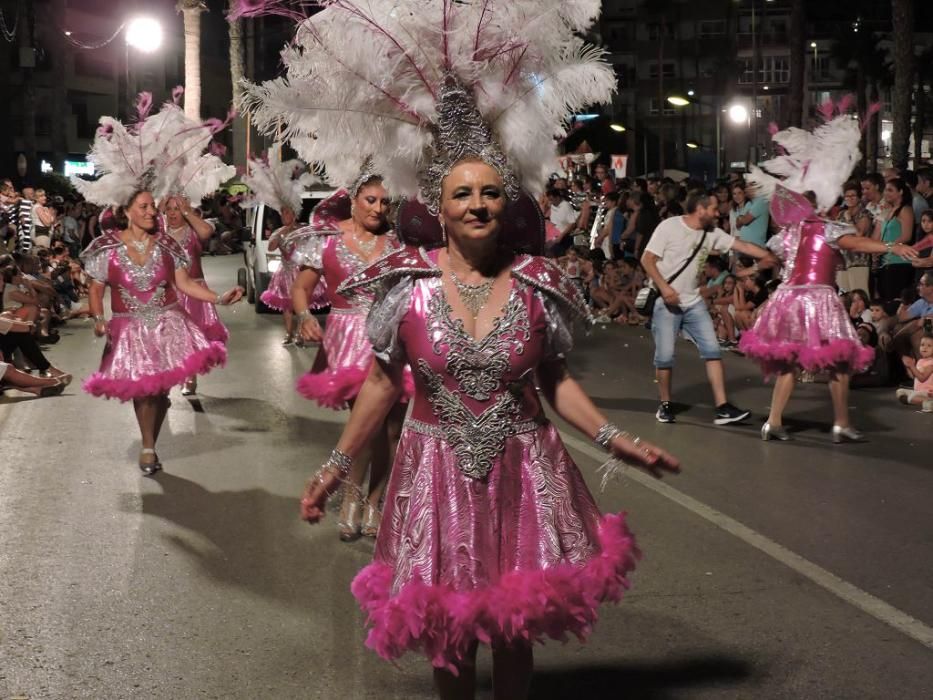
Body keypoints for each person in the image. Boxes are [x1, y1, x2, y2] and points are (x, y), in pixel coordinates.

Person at [233, 1, 682, 696]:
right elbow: (382, 386)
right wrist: (334, 466)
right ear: (436, 207)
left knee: (512, 627)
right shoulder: (402, 287)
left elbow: (555, 381)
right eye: (462, 194)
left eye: (491, 194)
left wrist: (614, 436)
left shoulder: (537, 284)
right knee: (446, 630)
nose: (477, 204)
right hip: (432, 472)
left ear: (509, 205)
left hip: (523, 469)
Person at [738, 108, 919, 441]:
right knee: (839, 361)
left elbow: (770, 258)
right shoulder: (829, 228)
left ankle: (774, 422)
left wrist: (747, 264)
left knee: (791, 363)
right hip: (817, 299)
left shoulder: (789, 233)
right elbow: (860, 242)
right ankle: (840, 423)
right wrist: (892, 247)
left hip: (787, 300)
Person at [290, 176, 407, 542]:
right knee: (365, 421)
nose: (378, 208)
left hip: (394, 336)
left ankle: (376, 499)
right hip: (348, 337)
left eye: (385, 203)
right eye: (370, 200)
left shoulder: (399, 242)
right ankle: (352, 494)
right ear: (353, 200)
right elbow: (301, 289)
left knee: (391, 428)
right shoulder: (325, 239)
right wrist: (305, 316)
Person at [641, 191, 775, 424]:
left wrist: (768, 255)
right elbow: (647, 260)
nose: (718, 212)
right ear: (700, 209)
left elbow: (740, 244)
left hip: (693, 303)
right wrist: (664, 288)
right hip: (667, 303)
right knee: (664, 357)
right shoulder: (669, 227)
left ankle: (722, 407)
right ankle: (665, 405)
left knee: (712, 351)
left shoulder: (712, 233)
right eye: (714, 209)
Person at [243, 156, 316, 345]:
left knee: (301, 305)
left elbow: (312, 246)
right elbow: (272, 246)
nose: (285, 216)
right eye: (283, 213)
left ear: (294, 213)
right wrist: (283, 231)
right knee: (286, 307)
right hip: (285, 272)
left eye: (288, 212)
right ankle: (289, 334)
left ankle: (301, 334)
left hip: (301, 272)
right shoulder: (278, 232)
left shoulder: (302, 229)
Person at [162, 195, 228, 395]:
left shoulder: (192, 231)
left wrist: (187, 211)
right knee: (168, 338)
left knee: (191, 337)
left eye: (177, 209)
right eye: (170, 209)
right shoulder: (160, 234)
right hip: (169, 293)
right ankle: (166, 376)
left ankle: (190, 377)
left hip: (194, 292)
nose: (173, 213)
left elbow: (207, 231)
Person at [876, 178, 915, 301]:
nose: (886, 193)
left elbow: (907, 236)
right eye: (885, 190)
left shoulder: (905, 210)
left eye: (890, 190)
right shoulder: (888, 211)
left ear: (901, 192)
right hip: (885, 262)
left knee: (895, 301)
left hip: (899, 262)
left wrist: (887, 247)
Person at [835, 182, 873, 293]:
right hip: (843, 261)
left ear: (859, 197)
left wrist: (849, 219)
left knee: (859, 294)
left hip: (859, 260)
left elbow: (859, 234)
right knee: (844, 295)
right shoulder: (840, 214)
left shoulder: (864, 213)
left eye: (853, 196)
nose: (849, 199)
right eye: (847, 196)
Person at [896, 334, 933, 412]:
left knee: (911, 398)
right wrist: (909, 367)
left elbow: (922, 378)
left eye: (929, 346)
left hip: (928, 392)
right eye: (922, 345)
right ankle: (926, 402)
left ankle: (929, 402)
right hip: (918, 391)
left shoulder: (931, 363)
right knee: (899, 391)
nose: (924, 347)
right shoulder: (920, 361)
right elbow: (914, 377)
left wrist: (912, 366)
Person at [729, 181, 770, 248]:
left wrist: (740, 219)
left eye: (749, 187)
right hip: (742, 247)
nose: (746, 189)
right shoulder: (735, 209)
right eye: (734, 194)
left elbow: (744, 221)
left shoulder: (760, 201)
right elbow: (736, 226)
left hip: (756, 247)